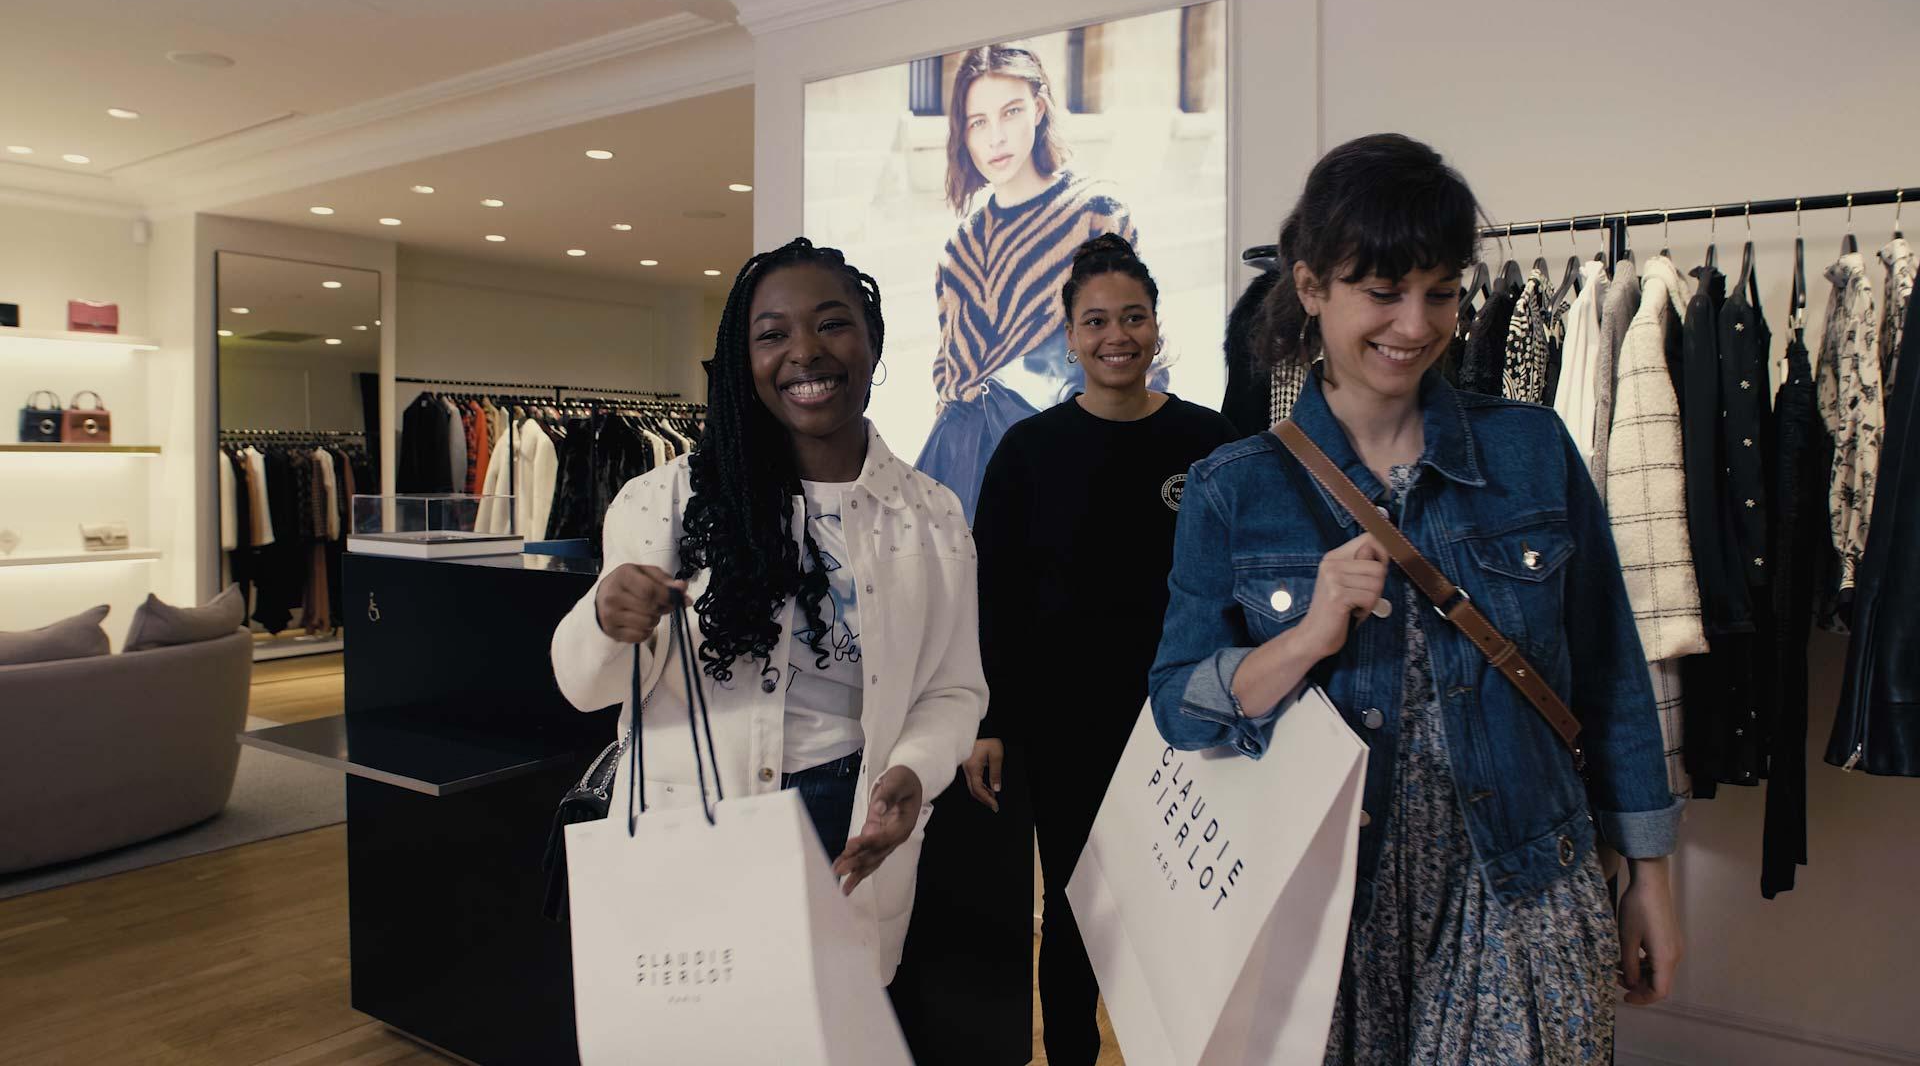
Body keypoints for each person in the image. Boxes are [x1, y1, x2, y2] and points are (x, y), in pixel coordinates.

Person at [1148, 134, 1685, 1064]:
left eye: (1440, 291)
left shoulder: (1530, 449)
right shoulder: (1233, 486)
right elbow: (1179, 706)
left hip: (1520, 874)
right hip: (1330, 899)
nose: (1416, 323)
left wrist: (1651, 873)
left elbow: (1610, 674)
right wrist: (1308, 637)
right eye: (1383, 292)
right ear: (1312, 287)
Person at [549, 238, 987, 982]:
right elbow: (587, 688)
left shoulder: (932, 515)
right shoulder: (669, 502)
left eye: (833, 324)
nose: (805, 352)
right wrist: (601, 618)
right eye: (773, 334)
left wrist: (915, 768)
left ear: (873, 342)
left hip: (846, 818)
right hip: (693, 816)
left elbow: (953, 688)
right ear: (744, 359)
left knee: (828, 1027)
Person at [971, 234, 1238, 1065]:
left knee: (1188, 910)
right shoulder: (1027, 453)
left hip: (1188, 725)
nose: (1116, 335)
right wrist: (993, 719)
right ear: (1071, 334)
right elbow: (997, 601)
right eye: (1096, 321)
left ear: (1157, 326)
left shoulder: (1214, 444)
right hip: (1066, 730)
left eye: (1133, 316)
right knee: (1082, 911)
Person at [917, 44, 1157, 523]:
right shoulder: (958, 248)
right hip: (964, 467)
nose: (995, 137)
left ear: (1039, 109)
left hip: (1073, 452)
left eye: (1011, 112)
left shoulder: (1095, 212)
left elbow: (1144, 351)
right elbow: (950, 374)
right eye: (977, 121)